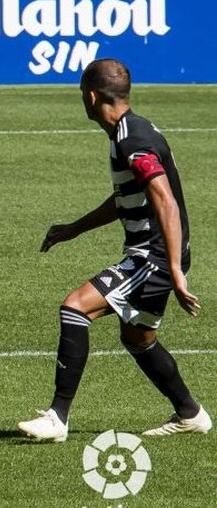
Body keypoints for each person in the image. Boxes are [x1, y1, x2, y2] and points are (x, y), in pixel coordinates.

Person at [19, 58, 210, 443]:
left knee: (75, 307)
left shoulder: (131, 138)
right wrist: (75, 228)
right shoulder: (128, 131)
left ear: (91, 96)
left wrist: (173, 268)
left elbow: (165, 200)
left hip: (152, 257)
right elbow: (128, 195)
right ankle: (191, 414)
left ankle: (57, 417)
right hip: (156, 255)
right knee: (137, 339)